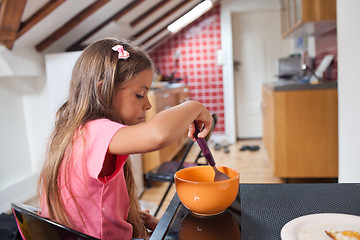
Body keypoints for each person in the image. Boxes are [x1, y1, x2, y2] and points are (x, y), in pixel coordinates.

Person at [38, 38, 213, 240]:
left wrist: (126, 216)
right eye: (140, 95)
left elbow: (88, 205)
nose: (147, 105)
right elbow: (158, 135)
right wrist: (194, 106)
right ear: (104, 90)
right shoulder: (95, 131)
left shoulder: (73, 132)